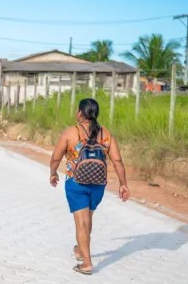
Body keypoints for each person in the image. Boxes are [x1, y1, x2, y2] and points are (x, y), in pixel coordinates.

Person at [49, 98, 130, 275]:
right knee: (87, 219)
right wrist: (123, 184)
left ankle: (86, 263)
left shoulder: (71, 132)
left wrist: (53, 173)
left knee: (81, 223)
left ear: (80, 113)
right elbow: (117, 160)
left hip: (75, 182)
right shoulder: (106, 134)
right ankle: (80, 250)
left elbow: (56, 157)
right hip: (98, 184)